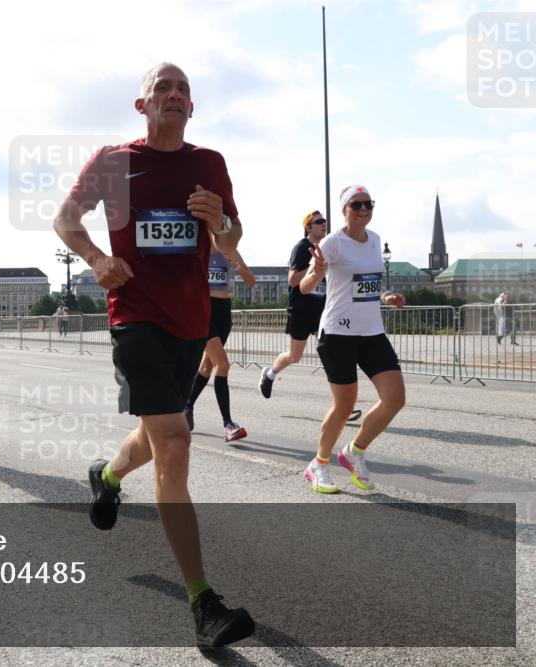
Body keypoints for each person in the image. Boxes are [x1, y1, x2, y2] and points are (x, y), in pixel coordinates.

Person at [53, 63, 254, 649]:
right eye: (162, 88)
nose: (173, 95)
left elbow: (233, 237)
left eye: (183, 90)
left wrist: (222, 225)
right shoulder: (114, 162)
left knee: (159, 431)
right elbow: (65, 220)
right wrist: (95, 260)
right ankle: (203, 606)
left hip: (190, 321)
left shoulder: (209, 163)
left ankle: (108, 475)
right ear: (141, 105)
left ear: (192, 108)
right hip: (134, 316)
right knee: (174, 440)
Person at [299, 185, 406, 494]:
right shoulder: (333, 243)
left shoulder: (374, 240)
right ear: (344, 210)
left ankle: (354, 451)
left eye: (368, 204)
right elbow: (305, 287)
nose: (363, 209)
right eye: (356, 204)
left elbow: (373, 282)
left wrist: (387, 296)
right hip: (337, 334)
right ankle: (319, 464)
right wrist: (317, 271)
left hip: (372, 331)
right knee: (344, 406)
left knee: (395, 398)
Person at [260, 211, 362, 422]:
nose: (324, 224)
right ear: (308, 227)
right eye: (319, 222)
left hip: (324, 309)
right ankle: (269, 374)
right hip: (301, 309)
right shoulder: (301, 247)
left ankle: (344, 406)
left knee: (332, 353)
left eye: (324, 221)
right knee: (294, 356)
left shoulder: (328, 246)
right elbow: (292, 280)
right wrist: (315, 266)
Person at [183, 243, 256, 441]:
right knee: (222, 363)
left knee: (207, 366)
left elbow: (252, 281)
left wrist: (237, 266)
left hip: (224, 310)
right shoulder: (198, 251)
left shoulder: (230, 250)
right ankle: (228, 424)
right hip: (203, 310)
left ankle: (186, 406)